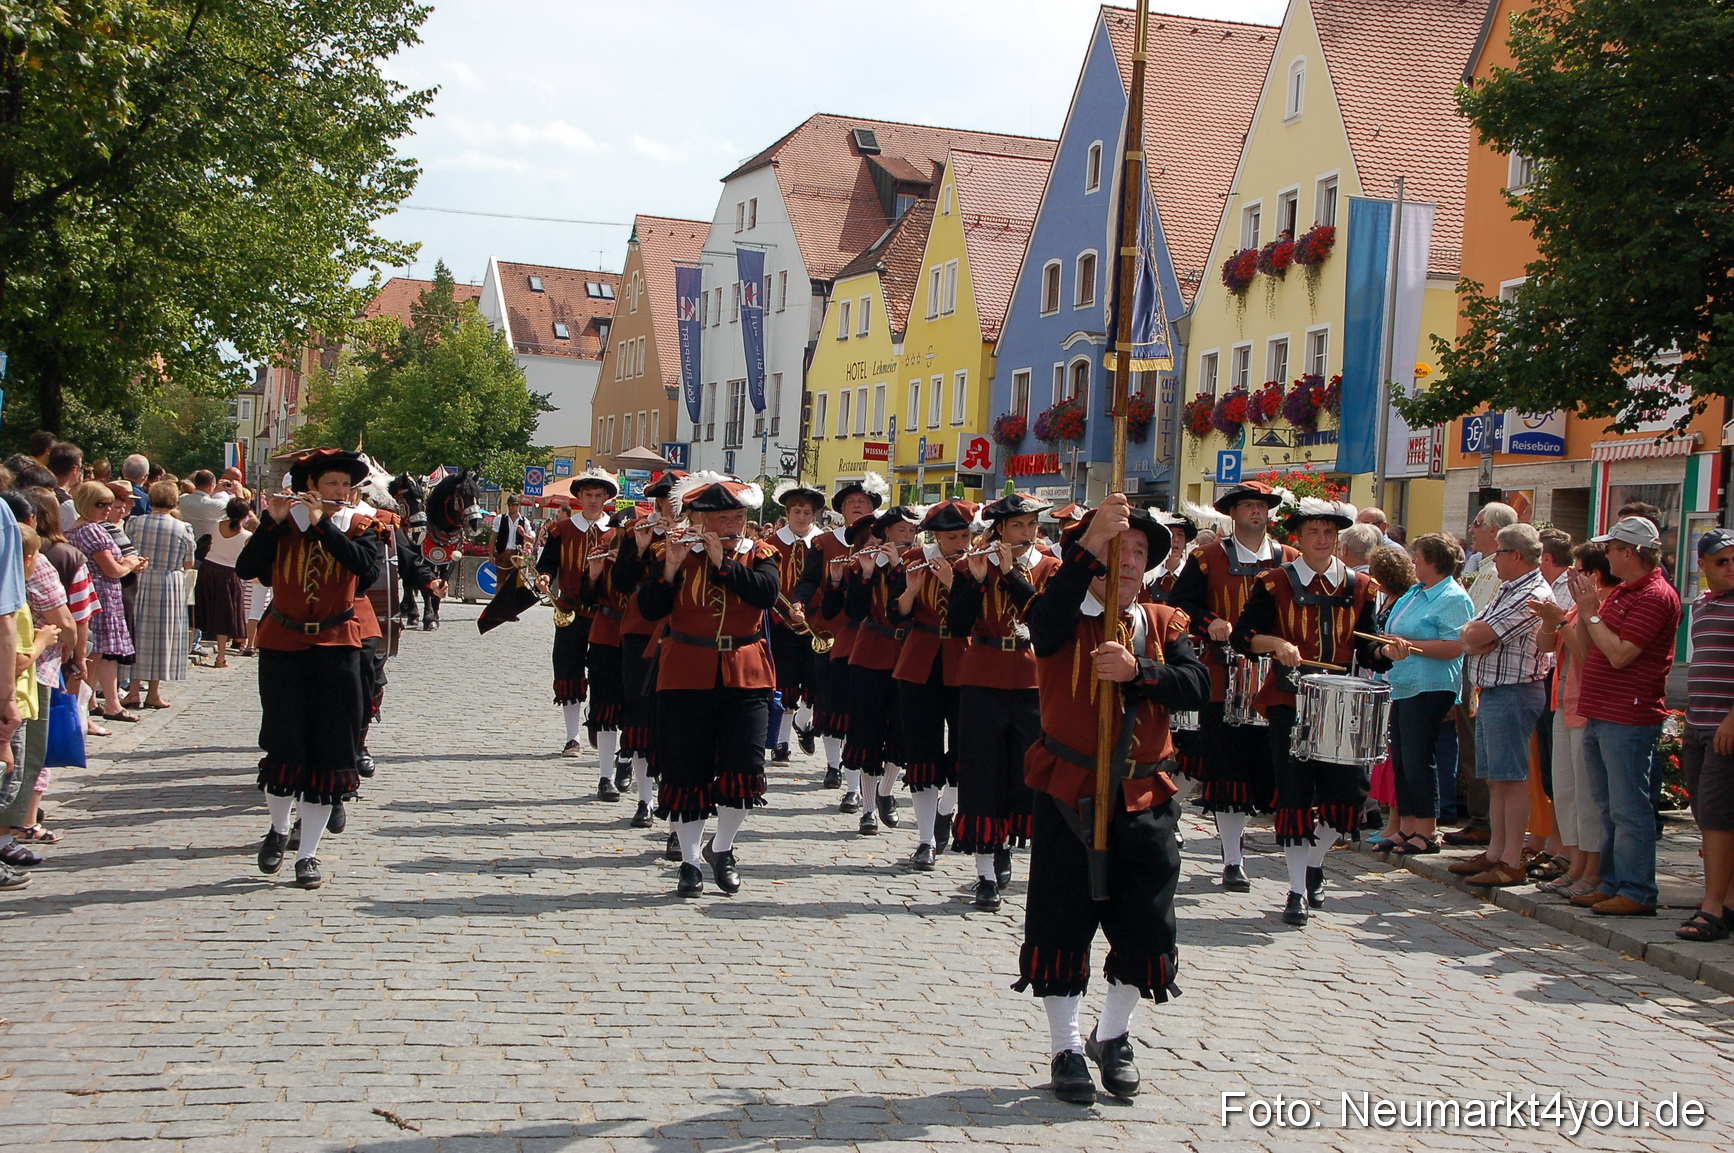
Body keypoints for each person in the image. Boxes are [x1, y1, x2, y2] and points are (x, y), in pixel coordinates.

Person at [1016, 494, 1207, 1105]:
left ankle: (1114, 1034)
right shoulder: (1059, 610)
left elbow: (1198, 685)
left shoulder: (1161, 620)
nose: (1128, 561)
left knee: (1146, 922)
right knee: (1061, 918)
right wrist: (1088, 542)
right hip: (1069, 791)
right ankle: (1065, 1046)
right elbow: (1043, 629)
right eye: (1116, 549)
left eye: (1139, 552)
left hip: (1145, 791)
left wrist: (1139, 673)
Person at [1233, 498, 1404, 925]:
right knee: (1293, 795)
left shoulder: (1360, 587)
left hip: (1341, 703)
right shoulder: (1275, 583)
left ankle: (1313, 862)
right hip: (1289, 700)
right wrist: (1276, 645)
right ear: (1300, 538)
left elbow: (1368, 647)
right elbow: (1243, 637)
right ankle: (1295, 891)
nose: (1323, 540)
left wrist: (1386, 650)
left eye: (1329, 533)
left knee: (1348, 796)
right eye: (1314, 532)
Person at [235, 449, 380, 890]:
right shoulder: (281, 527)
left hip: (338, 645)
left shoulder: (360, 528)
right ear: (311, 487)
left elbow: (365, 570)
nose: (340, 492)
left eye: (345, 486)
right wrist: (272, 523)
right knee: (284, 743)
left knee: (331, 751)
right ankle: (279, 829)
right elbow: (249, 569)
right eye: (331, 484)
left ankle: (309, 853)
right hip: (284, 645)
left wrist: (320, 524)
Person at [636, 473, 779, 898]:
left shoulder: (761, 554)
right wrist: (671, 568)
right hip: (685, 669)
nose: (733, 525)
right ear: (697, 519)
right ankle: (690, 860)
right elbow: (648, 608)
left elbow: (766, 594)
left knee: (745, 767)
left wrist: (724, 563)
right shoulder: (671, 552)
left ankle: (724, 847)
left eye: (738, 517)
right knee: (686, 770)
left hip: (746, 670)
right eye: (722, 519)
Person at [1168, 480, 1296, 892]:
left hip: (1275, 678)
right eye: (1247, 506)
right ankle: (1233, 857)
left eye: (1261, 506)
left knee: (1274, 767)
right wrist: (1210, 623)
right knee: (1228, 769)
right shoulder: (1207, 558)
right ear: (1233, 513)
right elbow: (1181, 603)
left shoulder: (1289, 559)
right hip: (1223, 676)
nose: (1256, 513)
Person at [1564, 516, 1680, 917]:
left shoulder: (1655, 595)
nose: (1606, 554)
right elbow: (1587, 653)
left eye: (1611, 548)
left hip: (1628, 716)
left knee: (1629, 808)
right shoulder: (1621, 593)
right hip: (1601, 710)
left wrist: (1591, 613)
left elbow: (1620, 654)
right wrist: (1581, 612)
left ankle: (1637, 889)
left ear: (1629, 553)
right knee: (1608, 807)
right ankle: (1613, 883)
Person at [947, 491, 1058, 908]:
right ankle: (985, 871)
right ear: (998, 530)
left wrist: (1012, 575)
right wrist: (975, 582)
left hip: (1031, 680)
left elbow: (1046, 619)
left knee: (1022, 772)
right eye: (1017, 527)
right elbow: (957, 624)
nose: (1027, 534)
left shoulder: (1050, 567)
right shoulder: (970, 566)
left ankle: (1006, 845)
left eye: (1031, 526)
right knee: (981, 771)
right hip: (982, 674)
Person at [1450, 522, 1553, 888]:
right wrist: (1473, 639)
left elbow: (1480, 633)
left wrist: (1474, 638)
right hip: (1493, 691)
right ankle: (1495, 852)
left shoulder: (1533, 593)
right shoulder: (1508, 588)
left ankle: (1511, 858)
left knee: (1511, 779)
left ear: (1517, 555)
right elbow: (1470, 630)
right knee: (1496, 779)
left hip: (1515, 692)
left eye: (1500, 555)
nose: (1495, 561)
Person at [891, 499, 977, 870]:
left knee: (964, 748)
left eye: (964, 535)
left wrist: (955, 581)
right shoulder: (913, 557)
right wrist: (910, 592)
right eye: (952, 536)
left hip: (965, 660)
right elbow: (894, 614)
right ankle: (925, 839)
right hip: (920, 658)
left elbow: (979, 614)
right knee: (922, 752)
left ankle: (947, 809)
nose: (961, 542)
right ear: (936, 537)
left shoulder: (979, 563)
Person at [1531, 542, 1617, 901]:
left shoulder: (1603, 605)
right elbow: (1546, 645)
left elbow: (1587, 655)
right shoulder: (1578, 606)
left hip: (1587, 706)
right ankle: (1575, 861)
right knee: (1565, 790)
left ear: (1593, 575)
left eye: (1578, 570)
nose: (1571, 575)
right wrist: (1553, 622)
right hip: (1563, 702)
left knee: (1585, 794)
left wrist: (1564, 621)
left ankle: (1590, 868)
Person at [1380, 533, 1473, 856]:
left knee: (1420, 757)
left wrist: (1412, 647)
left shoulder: (1452, 597)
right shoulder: (1414, 593)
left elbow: (1454, 646)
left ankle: (1427, 828)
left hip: (1431, 687)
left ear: (1433, 561)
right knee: (1403, 759)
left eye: (1418, 556)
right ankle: (1406, 824)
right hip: (1403, 684)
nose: (1413, 561)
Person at [810, 475, 888, 801]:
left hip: (887, 648)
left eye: (864, 503)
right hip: (846, 641)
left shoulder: (896, 565)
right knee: (838, 711)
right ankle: (847, 781)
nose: (858, 507)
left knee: (876, 723)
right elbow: (834, 608)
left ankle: (874, 792)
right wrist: (839, 581)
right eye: (852, 503)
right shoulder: (829, 548)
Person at [534, 468, 619, 766]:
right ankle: (573, 735)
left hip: (606, 615)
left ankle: (598, 718)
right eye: (588, 495)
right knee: (568, 672)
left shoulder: (617, 533)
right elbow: (547, 565)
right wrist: (543, 578)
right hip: (569, 610)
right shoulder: (562, 531)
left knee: (603, 672)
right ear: (579, 498)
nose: (593, 501)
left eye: (598, 495)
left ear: (607, 498)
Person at [1677, 528, 1734, 941]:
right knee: (1706, 815)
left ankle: (1713, 906)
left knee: (1717, 818)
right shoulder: (1702, 605)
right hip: (1698, 723)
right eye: (1722, 561)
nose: (1731, 568)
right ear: (1703, 565)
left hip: (1724, 727)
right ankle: (1725, 897)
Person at [68, 482, 144, 724]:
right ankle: (86, 707)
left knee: (101, 652)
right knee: (95, 652)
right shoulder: (89, 530)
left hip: (103, 592)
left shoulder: (89, 527)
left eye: (109, 504)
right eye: (100, 504)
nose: (106, 509)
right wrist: (130, 564)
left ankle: (97, 703)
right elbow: (111, 569)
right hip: (100, 593)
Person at [764, 481, 828, 769]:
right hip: (781, 622)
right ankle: (781, 744)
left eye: (807, 512)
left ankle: (805, 721)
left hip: (816, 621)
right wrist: (781, 612)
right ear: (787, 513)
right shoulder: (772, 544)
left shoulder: (823, 543)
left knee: (814, 682)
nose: (801, 517)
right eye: (796, 511)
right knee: (786, 683)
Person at [124, 481, 195, 708]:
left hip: (140, 578)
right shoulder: (183, 528)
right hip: (168, 583)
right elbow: (189, 562)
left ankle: (133, 689)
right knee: (162, 637)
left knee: (137, 632)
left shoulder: (135, 523)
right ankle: (153, 691)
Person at [47, 442, 81, 533]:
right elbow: (74, 536)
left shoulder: (43, 492)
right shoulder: (67, 505)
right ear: (75, 469)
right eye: (81, 468)